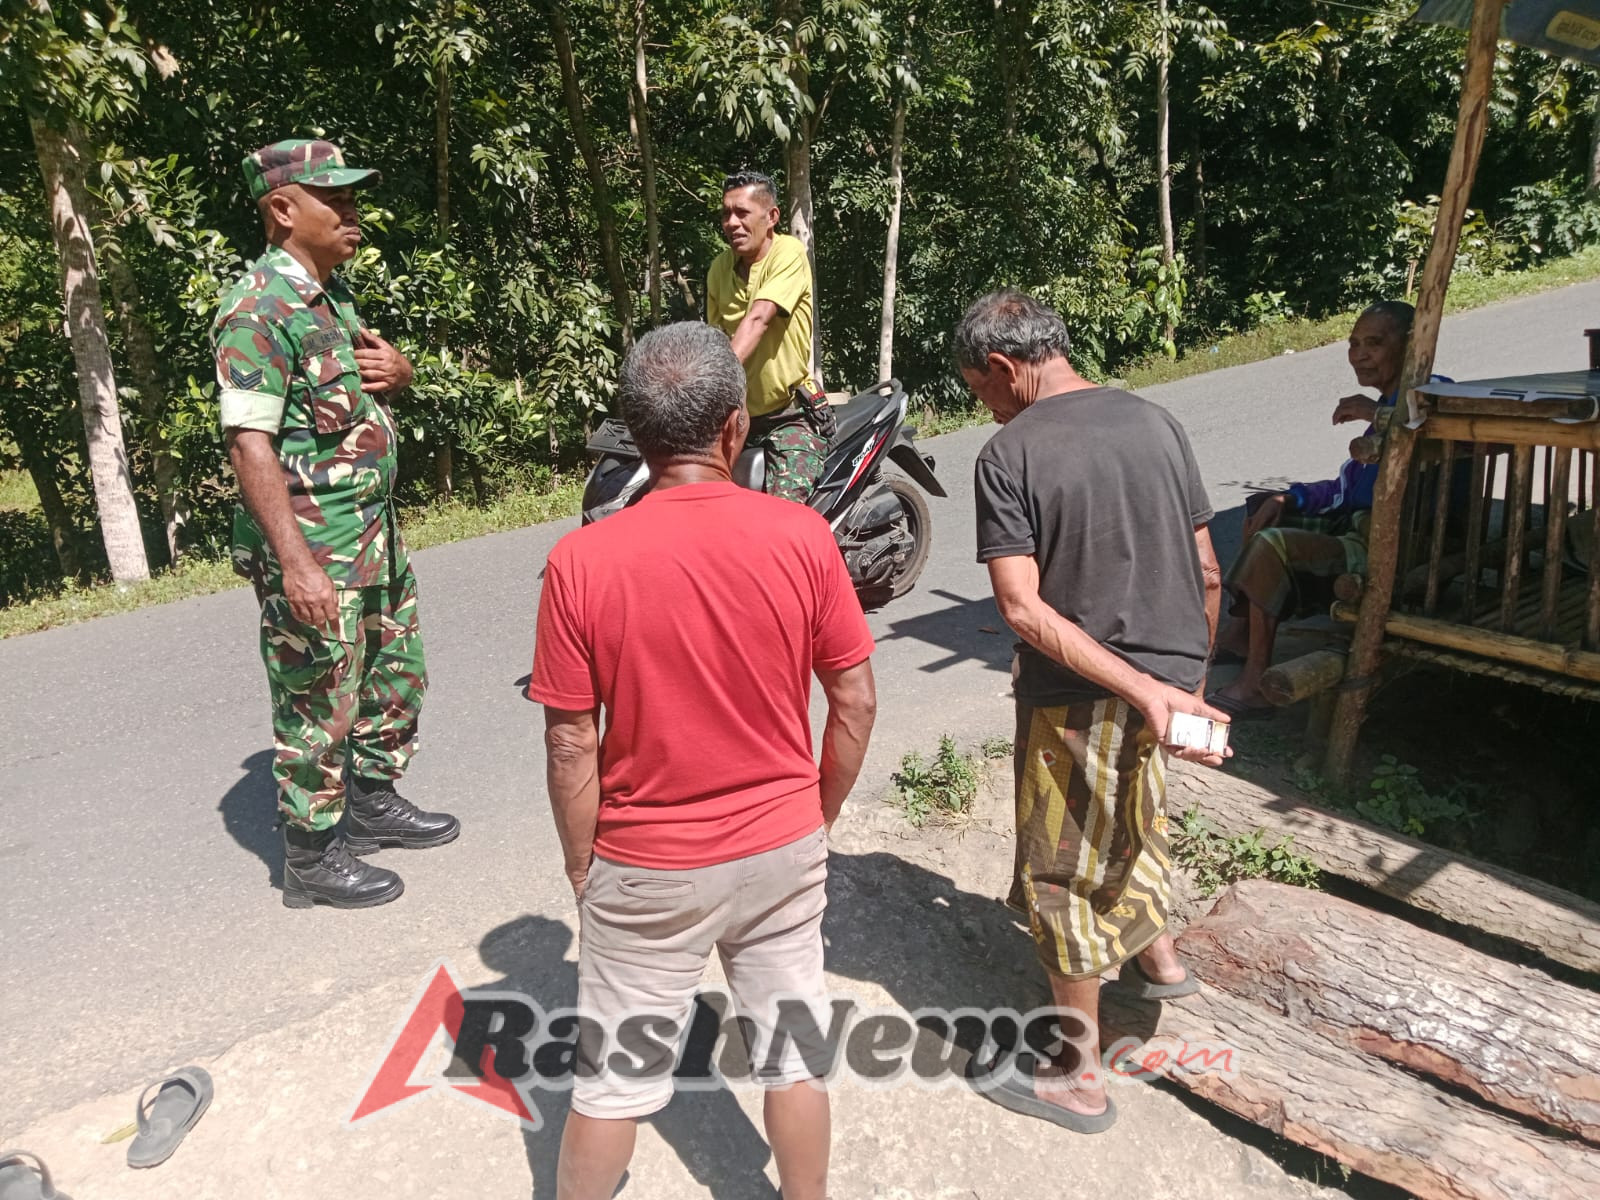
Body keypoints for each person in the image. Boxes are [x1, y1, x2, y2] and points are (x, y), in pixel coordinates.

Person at [528, 322, 877, 1200]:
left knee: (613, 1084)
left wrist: (584, 864)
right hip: (783, 846)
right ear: (734, 430)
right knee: (795, 1058)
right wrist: (814, 816)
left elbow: (571, 738)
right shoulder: (802, 537)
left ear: (637, 439)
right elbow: (857, 700)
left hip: (647, 864)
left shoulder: (580, 561)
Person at [955, 289, 1229, 1134]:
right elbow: (1210, 573)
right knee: (1135, 816)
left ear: (1004, 368)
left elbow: (1025, 611)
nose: (987, 406)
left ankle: (1079, 1077)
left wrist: (1139, 690)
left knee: (1064, 869)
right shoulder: (1156, 422)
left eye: (981, 389)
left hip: (1079, 697)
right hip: (1171, 681)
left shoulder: (1009, 454)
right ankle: (1160, 958)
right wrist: (1184, 687)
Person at [214, 139, 458, 910]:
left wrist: (403, 374)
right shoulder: (256, 310)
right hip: (317, 545)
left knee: (395, 672)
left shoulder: (327, 297)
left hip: (370, 534)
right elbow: (249, 442)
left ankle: (374, 800)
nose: (352, 212)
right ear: (284, 210)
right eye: (336, 199)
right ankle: (311, 854)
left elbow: (350, 401)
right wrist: (295, 564)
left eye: (354, 198)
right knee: (319, 692)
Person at [1210, 300, 1432, 714]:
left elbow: (1425, 436)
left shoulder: (1425, 401)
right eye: (1354, 344)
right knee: (1264, 505)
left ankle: (1255, 681)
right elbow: (1345, 488)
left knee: (1273, 545)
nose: (1360, 355)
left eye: (1374, 343)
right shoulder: (1393, 403)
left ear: (1409, 346)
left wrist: (1381, 415)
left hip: (1383, 544)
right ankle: (1240, 633)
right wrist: (1289, 497)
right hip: (1352, 522)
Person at [706, 170, 830, 502]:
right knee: (703, 496)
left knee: (784, 517)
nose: (731, 222)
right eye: (726, 213)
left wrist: (711, 379)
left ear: (771, 216)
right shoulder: (719, 268)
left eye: (742, 213)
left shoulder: (788, 253)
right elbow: (715, 339)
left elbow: (759, 318)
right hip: (739, 416)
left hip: (791, 414)